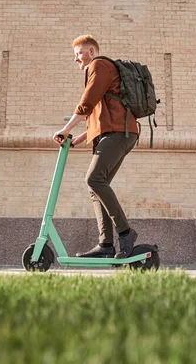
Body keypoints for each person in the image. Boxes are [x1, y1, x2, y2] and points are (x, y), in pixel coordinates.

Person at [53, 35, 139, 259]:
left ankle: (126, 232)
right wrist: (81, 137)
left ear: (91, 51)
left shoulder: (99, 65)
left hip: (119, 133)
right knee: (96, 186)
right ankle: (106, 245)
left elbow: (88, 101)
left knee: (94, 179)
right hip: (116, 132)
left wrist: (66, 128)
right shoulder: (102, 70)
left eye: (78, 54)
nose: (76, 59)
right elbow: (102, 111)